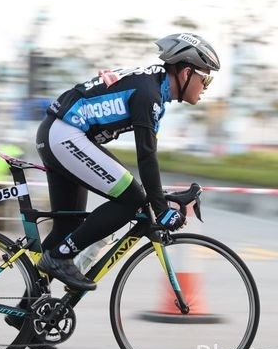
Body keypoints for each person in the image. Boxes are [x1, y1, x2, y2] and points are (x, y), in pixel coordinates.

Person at [34, 32, 220, 291]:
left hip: (59, 133)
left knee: (67, 227)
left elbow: (147, 159)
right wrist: (161, 209)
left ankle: (28, 306)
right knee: (132, 199)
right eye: (206, 78)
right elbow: (146, 155)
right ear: (186, 72)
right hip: (65, 134)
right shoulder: (149, 93)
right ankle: (59, 257)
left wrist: (162, 199)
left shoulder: (153, 86)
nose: (207, 86)